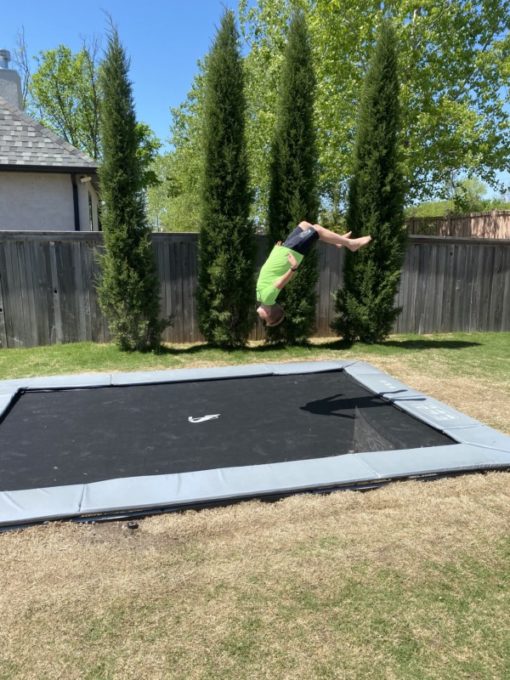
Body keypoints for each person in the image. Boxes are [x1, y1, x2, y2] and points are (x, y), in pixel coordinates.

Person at [256, 221, 372, 327]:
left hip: (283, 251)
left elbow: (267, 270)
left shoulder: (260, 297)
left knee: (305, 225)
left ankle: (337, 242)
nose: (261, 319)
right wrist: (293, 268)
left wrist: (274, 251)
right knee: (316, 230)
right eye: (265, 320)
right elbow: (281, 282)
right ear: (268, 313)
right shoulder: (268, 298)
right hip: (291, 253)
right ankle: (350, 244)